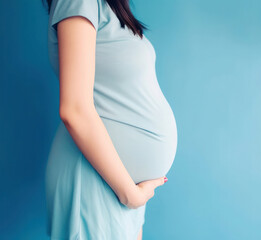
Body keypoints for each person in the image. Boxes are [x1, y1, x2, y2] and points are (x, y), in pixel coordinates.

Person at [44, 0, 178, 239]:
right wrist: (129, 194)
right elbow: (74, 109)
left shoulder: (107, 6)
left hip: (119, 182)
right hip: (95, 178)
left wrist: (132, 194)